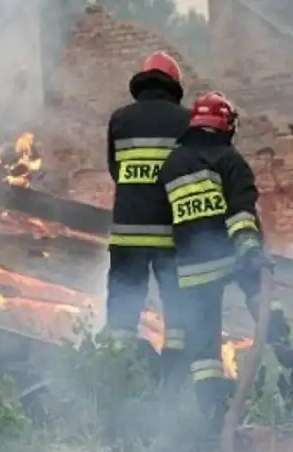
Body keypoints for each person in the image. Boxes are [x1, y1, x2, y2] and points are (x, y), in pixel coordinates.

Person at [156, 91, 288, 439]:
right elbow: (241, 213)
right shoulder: (230, 161)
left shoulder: (171, 166)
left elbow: (165, 225)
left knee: (204, 349)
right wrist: (250, 251)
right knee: (261, 295)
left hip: (190, 272)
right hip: (229, 258)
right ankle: (291, 356)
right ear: (226, 125)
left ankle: (213, 415)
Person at [103, 50, 191, 368]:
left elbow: (115, 169)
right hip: (172, 234)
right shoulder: (186, 121)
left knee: (125, 300)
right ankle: (175, 371)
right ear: (174, 85)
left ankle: (115, 366)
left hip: (129, 231)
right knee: (178, 304)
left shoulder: (120, 119)